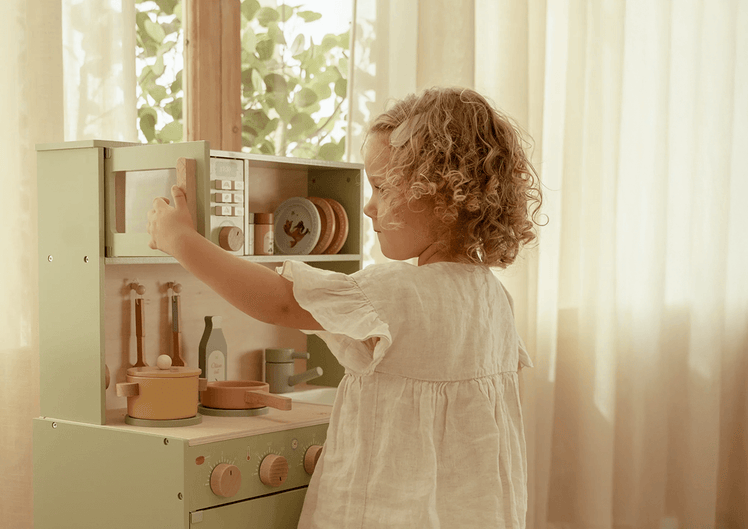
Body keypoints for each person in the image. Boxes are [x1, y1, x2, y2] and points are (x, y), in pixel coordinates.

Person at [147, 86, 542, 528]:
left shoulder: (395, 293)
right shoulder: (495, 300)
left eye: (382, 187)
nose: (369, 206)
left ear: (443, 197)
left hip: (388, 511)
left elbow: (279, 304)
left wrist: (181, 240)